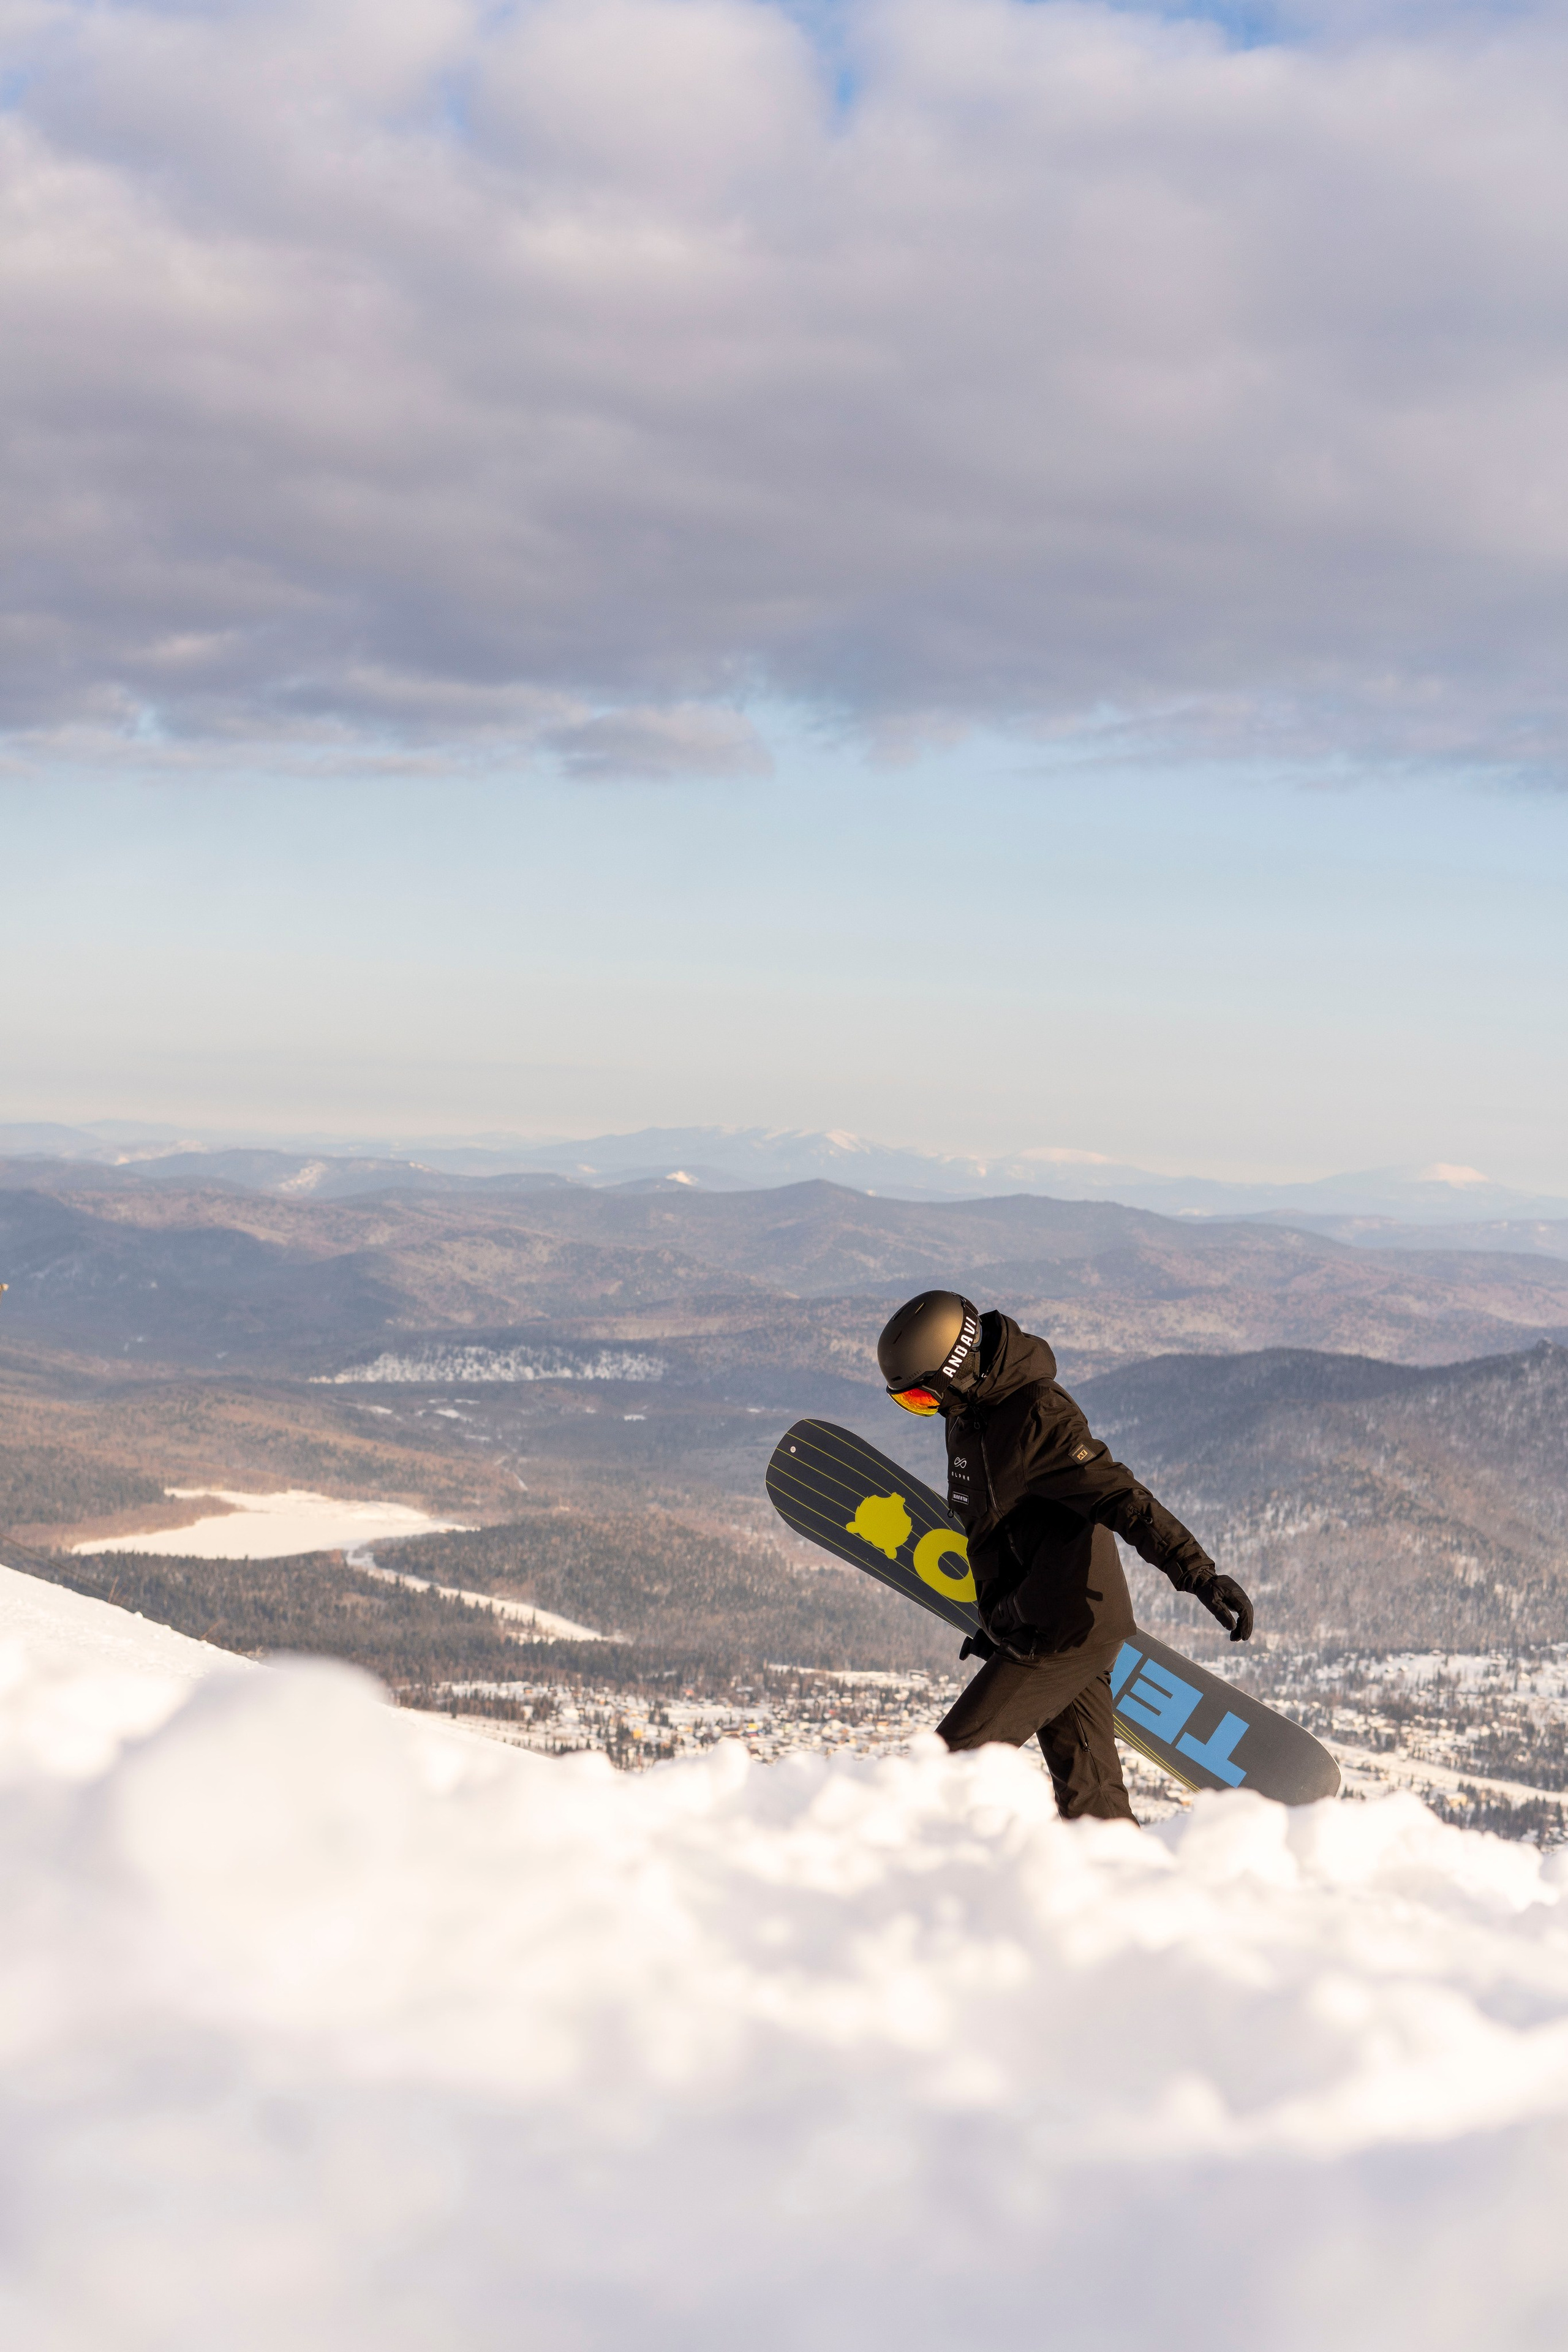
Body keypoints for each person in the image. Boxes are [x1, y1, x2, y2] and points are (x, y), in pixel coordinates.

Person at [876, 1289, 1253, 1824]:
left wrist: (1200, 1574)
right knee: (1091, 1801)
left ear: (956, 1366)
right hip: (1043, 1623)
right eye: (909, 1401)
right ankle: (1127, 1885)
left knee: (943, 1772)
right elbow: (999, 1530)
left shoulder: (1040, 1418)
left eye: (919, 1397)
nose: (924, 1408)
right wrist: (999, 1616)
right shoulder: (967, 1416)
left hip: (1064, 1630)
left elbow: (1124, 1499)